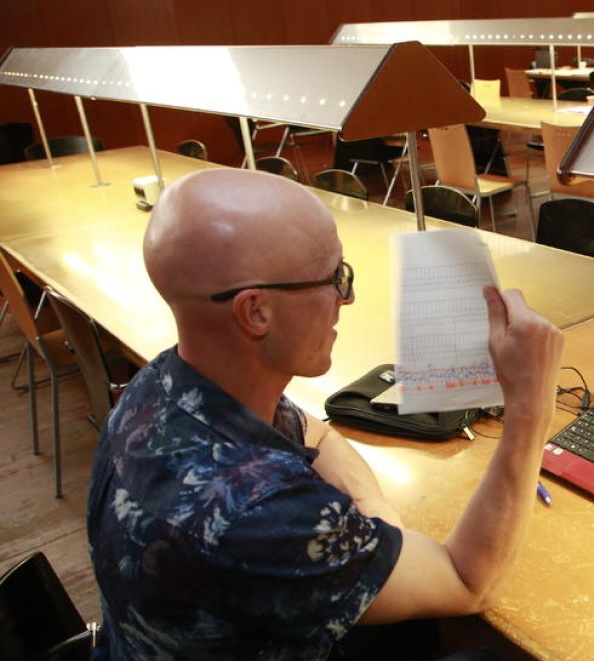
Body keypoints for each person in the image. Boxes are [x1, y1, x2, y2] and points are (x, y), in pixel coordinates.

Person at [86, 168, 563, 659]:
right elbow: (468, 582)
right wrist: (530, 408)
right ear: (256, 313)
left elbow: (315, 434)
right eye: (334, 277)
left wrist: (376, 527)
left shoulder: (159, 384)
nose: (347, 297)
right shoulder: (260, 512)